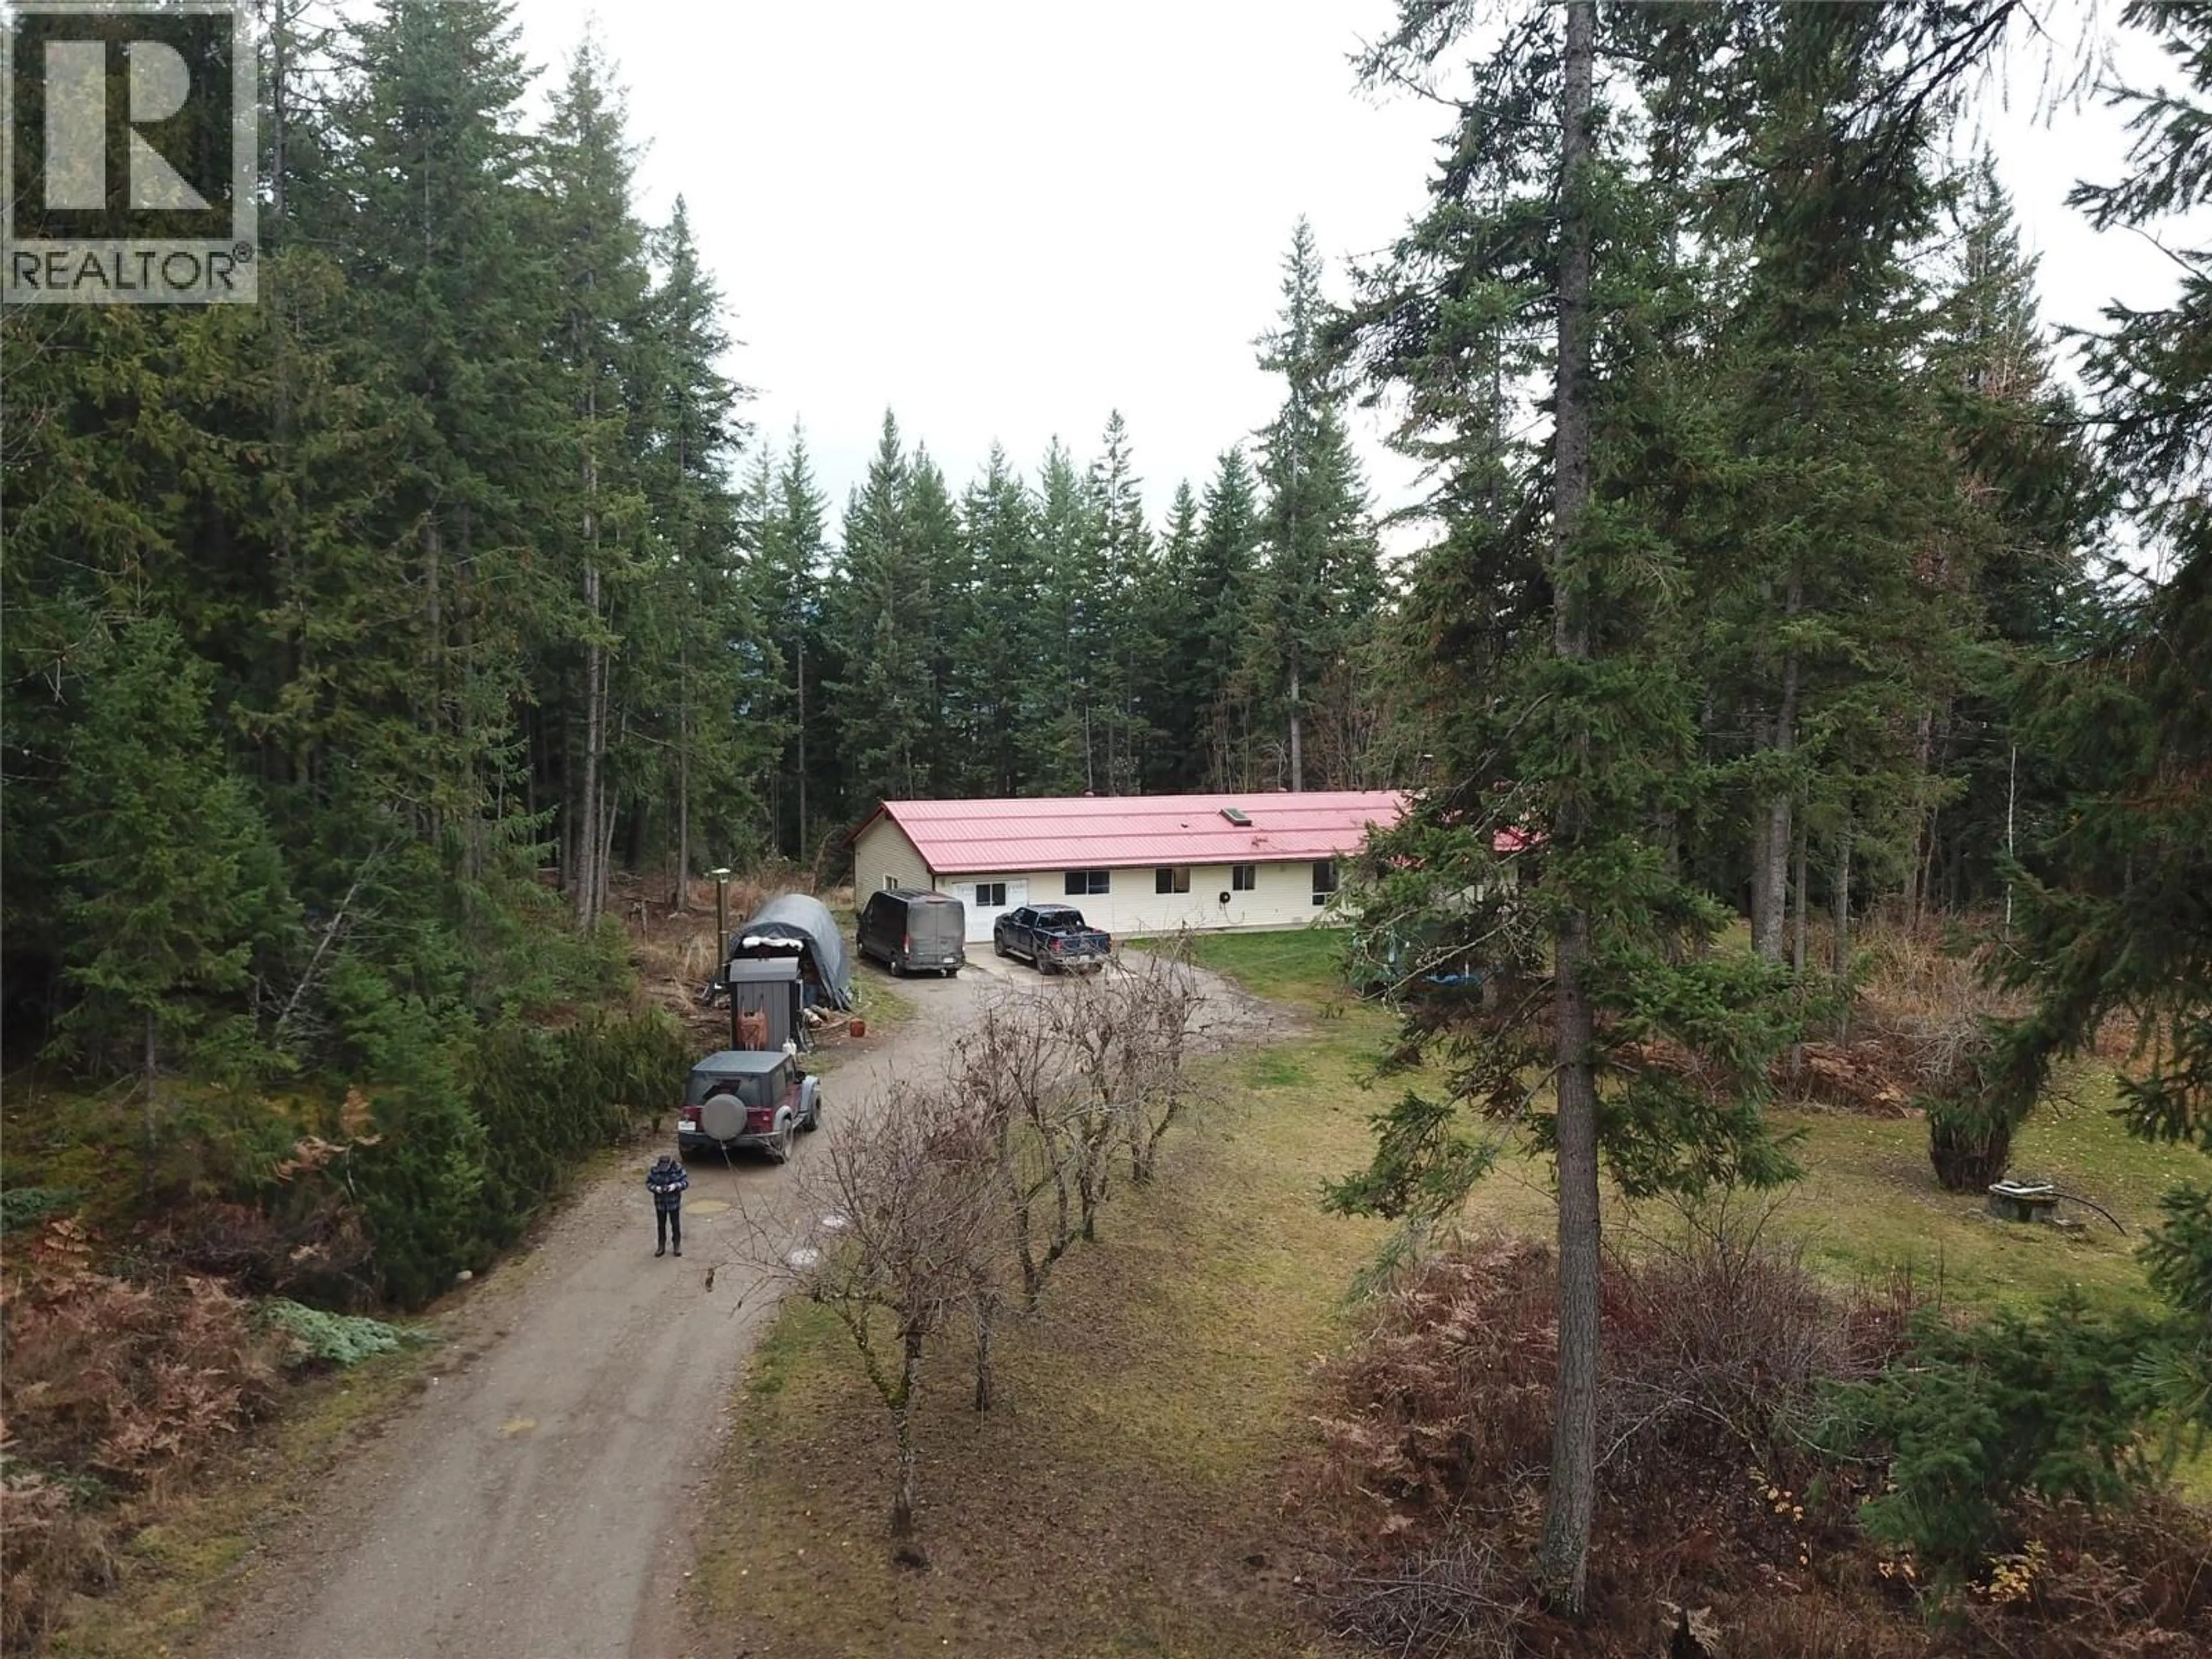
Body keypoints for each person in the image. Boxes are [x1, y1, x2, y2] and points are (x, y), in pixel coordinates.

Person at [646, 1153, 689, 1257]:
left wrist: (675, 1186)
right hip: (660, 1203)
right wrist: (656, 1188)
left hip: (674, 1202)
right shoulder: (655, 1171)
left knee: (675, 1224)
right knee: (661, 1225)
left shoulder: (678, 1170)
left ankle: (677, 1245)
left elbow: (685, 1183)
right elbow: (649, 1183)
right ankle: (661, 1246)